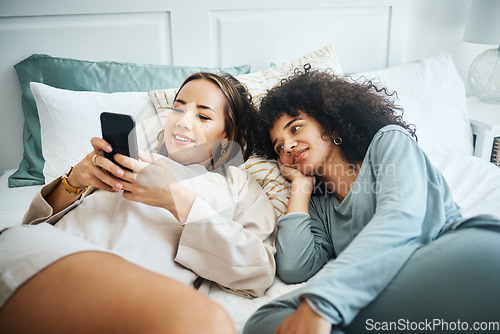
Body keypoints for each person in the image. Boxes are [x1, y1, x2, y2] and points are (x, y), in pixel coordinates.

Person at [0, 72, 277, 334]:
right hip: (43, 254)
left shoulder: (239, 186)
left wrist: (176, 201)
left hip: (126, 294)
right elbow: (32, 225)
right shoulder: (130, 158)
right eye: (178, 109)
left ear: (226, 138)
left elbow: (257, 272)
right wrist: (76, 178)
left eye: (203, 116)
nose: (182, 121)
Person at [243, 65, 500, 334]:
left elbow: (402, 218)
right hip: (397, 288)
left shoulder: (387, 142)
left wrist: (323, 301)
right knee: (265, 321)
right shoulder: (319, 207)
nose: (288, 146)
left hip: (456, 255)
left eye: (295, 129)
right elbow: (295, 267)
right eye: (279, 147)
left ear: (329, 125)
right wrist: (301, 187)